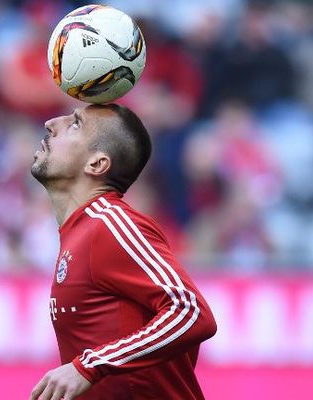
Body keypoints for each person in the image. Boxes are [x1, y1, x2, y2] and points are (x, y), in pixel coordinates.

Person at [29, 104, 217, 400]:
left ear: (96, 164)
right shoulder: (80, 233)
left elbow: (191, 312)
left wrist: (90, 366)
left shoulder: (110, 224)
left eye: (75, 124)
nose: (52, 122)